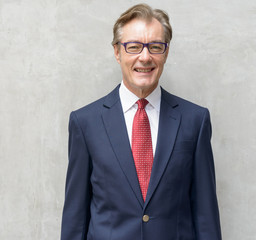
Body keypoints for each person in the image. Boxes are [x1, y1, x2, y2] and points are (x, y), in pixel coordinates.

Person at [61, 3, 222, 240]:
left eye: (155, 47)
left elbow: (205, 217)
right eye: (134, 46)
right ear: (117, 52)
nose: (145, 57)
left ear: (166, 52)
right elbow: (75, 218)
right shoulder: (85, 123)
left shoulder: (194, 121)